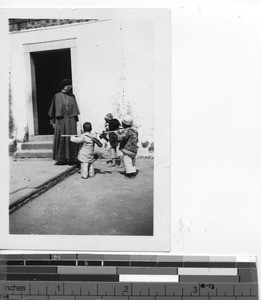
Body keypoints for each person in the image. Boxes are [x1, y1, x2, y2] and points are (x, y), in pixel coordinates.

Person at [48, 79, 80, 165]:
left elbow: (75, 109)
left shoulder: (72, 96)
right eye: (67, 86)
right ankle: (61, 159)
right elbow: (53, 110)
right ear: (63, 86)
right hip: (61, 121)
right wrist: (53, 122)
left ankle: (73, 158)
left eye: (70, 87)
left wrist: (76, 120)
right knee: (61, 138)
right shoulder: (57, 96)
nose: (69, 88)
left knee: (72, 138)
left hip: (71, 120)